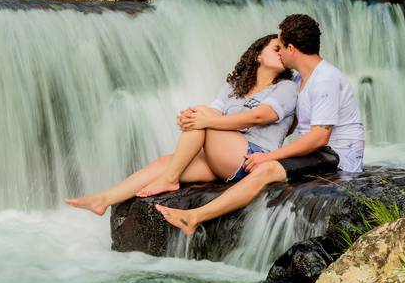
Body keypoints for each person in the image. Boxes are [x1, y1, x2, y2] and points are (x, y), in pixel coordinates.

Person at [156, 13, 366, 236]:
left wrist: (268, 156)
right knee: (265, 165)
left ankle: (194, 217)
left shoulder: (325, 79)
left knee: (266, 169)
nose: (279, 52)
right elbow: (292, 126)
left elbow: (319, 137)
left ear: (292, 49)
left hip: (339, 156)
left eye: (280, 47)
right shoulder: (299, 80)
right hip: (318, 150)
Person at [65, 34, 298, 216]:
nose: (281, 53)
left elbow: (259, 117)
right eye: (275, 48)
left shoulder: (286, 87)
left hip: (254, 158)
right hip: (224, 156)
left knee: (203, 115)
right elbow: (213, 113)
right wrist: (190, 117)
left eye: (283, 50)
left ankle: (170, 179)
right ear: (258, 55)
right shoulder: (236, 86)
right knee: (165, 161)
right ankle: (104, 200)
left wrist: (205, 119)